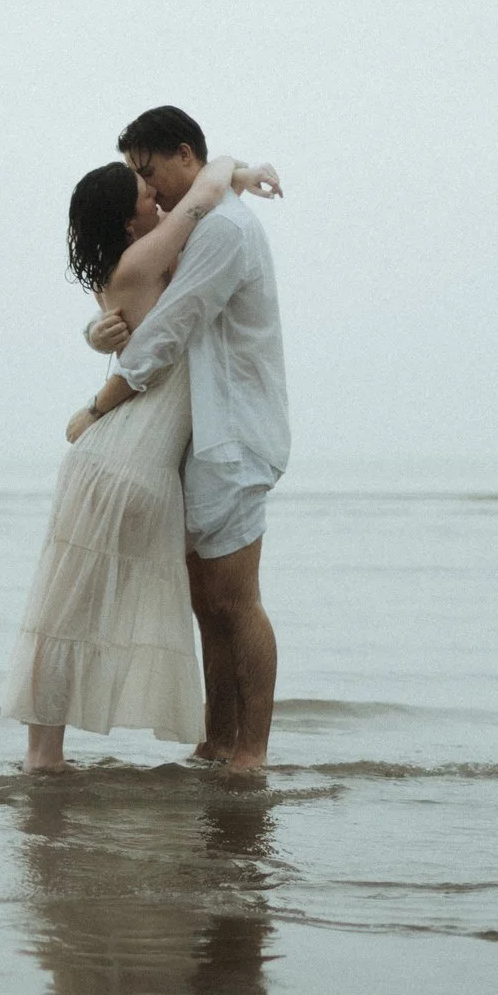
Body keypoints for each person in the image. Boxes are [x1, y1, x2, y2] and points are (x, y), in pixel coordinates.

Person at [1, 147, 280, 769]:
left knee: (62, 610)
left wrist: (94, 345)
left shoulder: (120, 269)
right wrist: (236, 169)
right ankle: (230, 750)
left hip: (117, 459)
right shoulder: (151, 254)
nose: (157, 197)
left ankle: (44, 756)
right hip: (132, 461)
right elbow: (202, 198)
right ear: (130, 223)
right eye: (144, 194)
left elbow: (123, 323)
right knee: (90, 610)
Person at [76, 106, 290, 771]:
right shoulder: (201, 219)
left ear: (182, 155)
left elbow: (171, 326)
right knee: (207, 602)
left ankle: (248, 752)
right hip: (204, 437)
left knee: (235, 600)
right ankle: (216, 742)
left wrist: (98, 406)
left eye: (149, 171)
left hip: (235, 432)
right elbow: (134, 305)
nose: (149, 189)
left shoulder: (223, 229)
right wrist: (96, 331)